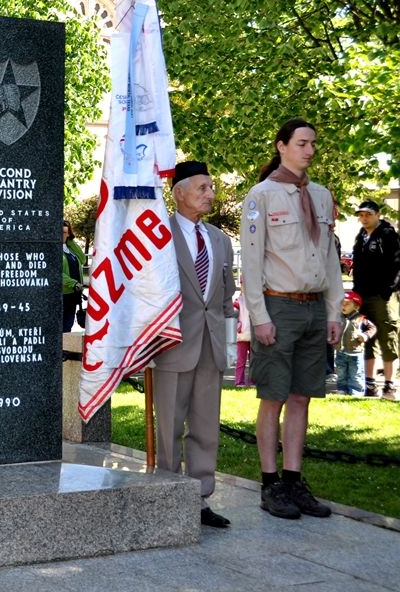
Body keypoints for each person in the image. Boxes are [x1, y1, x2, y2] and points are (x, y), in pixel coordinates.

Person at [240, 118, 342, 520]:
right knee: (274, 397)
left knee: (302, 397)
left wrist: (333, 311)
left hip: (315, 308)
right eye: (302, 143)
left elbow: (331, 261)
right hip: (278, 307)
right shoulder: (260, 196)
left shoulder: (320, 195)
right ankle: (270, 485)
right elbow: (250, 262)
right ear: (282, 146)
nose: (310, 150)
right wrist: (259, 317)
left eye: (313, 143)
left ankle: (295, 480)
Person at [152, 160, 236, 529]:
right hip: (172, 342)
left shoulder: (218, 239)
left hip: (210, 344)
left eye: (212, 187)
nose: (210, 194)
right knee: (169, 424)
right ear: (179, 193)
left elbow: (224, 297)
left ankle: (199, 500)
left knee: (205, 424)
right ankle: (167, 494)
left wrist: (229, 343)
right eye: (202, 188)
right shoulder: (157, 235)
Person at [351, 200, 400, 398]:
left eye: (368, 214)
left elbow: (398, 265)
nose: (364, 218)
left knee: (387, 337)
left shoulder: (388, 235)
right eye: (361, 215)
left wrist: (388, 290)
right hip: (362, 296)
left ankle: (390, 385)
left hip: (383, 297)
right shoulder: (361, 236)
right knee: (366, 336)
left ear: (377, 215)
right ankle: (369, 384)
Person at [335, 290, 376, 396]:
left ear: (356, 306)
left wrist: (365, 336)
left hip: (355, 353)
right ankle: (342, 389)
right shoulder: (338, 317)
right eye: (341, 303)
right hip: (340, 352)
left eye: (347, 303)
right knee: (341, 373)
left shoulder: (361, 319)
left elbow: (372, 328)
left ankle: (356, 391)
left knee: (356, 374)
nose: (343, 305)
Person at [61, 220, 86, 332]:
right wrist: (73, 283)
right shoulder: (52, 249)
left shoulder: (70, 249)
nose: (62, 234)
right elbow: (56, 273)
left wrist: (69, 240)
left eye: (65, 232)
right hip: (62, 294)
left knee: (68, 326)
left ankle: (63, 348)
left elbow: (83, 259)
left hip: (74, 294)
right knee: (61, 326)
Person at [235, 289, 252, 387]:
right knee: (241, 360)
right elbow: (234, 314)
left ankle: (252, 381)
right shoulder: (239, 300)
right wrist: (238, 326)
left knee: (253, 361)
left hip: (254, 335)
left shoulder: (256, 299)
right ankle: (239, 381)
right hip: (242, 335)